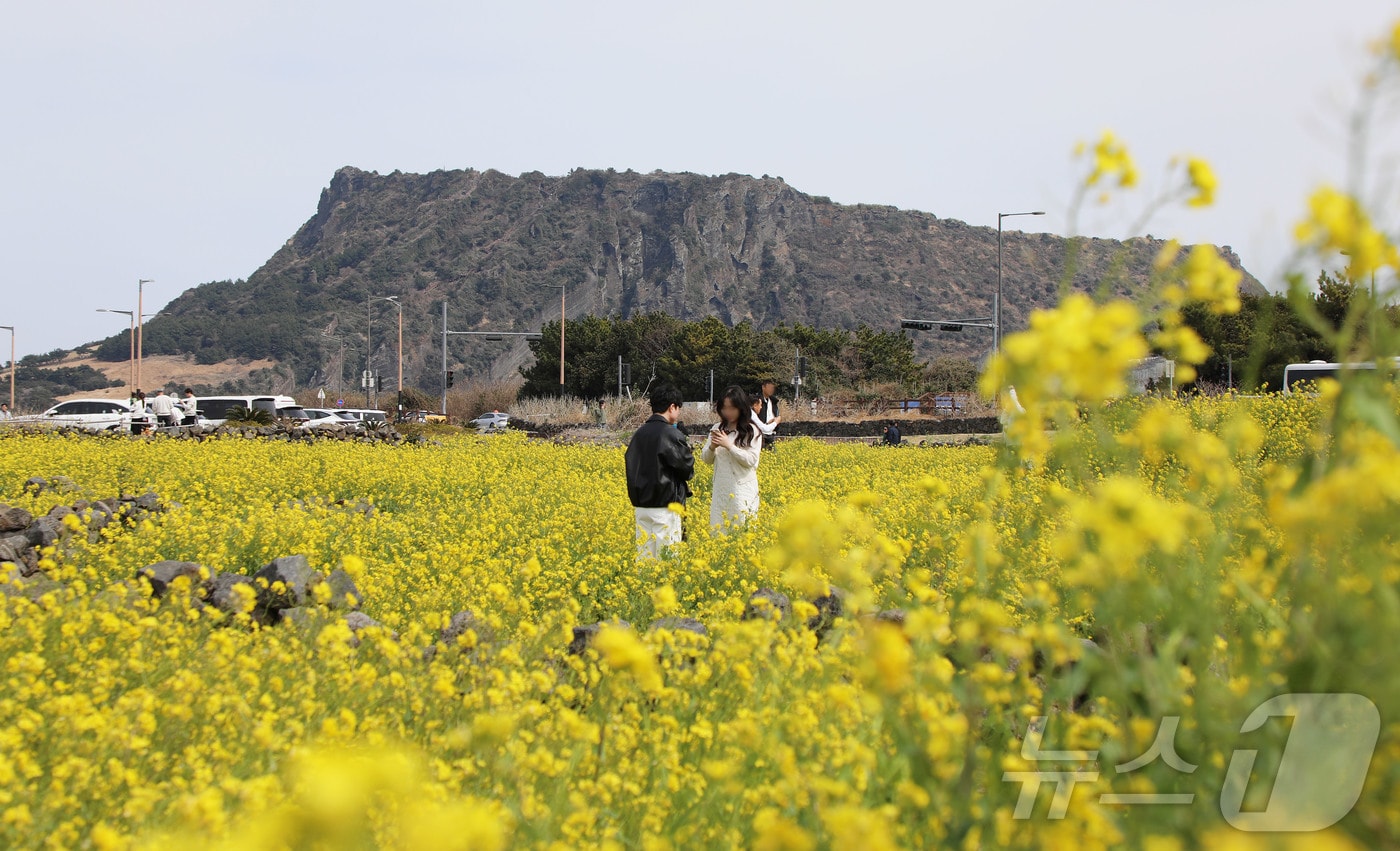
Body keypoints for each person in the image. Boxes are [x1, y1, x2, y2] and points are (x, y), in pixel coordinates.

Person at [624, 383, 694, 558]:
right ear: (672, 407)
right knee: (667, 562)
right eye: (678, 409)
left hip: (641, 507)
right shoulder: (670, 433)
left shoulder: (638, 434)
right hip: (665, 507)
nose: (678, 414)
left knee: (645, 562)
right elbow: (687, 470)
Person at [703, 387, 763, 532]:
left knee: (742, 532)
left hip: (742, 491)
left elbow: (751, 460)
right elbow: (706, 459)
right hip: (721, 490)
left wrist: (729, 446)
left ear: (741, 408)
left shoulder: (751, 431)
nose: (727, 413)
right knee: (718, 532)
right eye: (724, 408)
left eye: (732, 408)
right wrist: (712, 446)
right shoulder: (717, 428)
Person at [755, 379, 781, 451]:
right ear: (763, 387)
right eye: (769, 387)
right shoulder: (757, 401)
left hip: (771, 433)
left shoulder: (773, 401)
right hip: (761, 433)